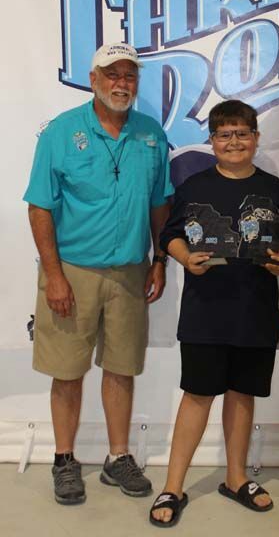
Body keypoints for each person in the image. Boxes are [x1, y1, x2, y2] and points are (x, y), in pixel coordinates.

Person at [24, 43, 173, 506]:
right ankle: (65, 460)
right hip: (72, 271)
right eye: (112, 74)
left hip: (130, 272)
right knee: (67, 372)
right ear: (93, 80)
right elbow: (40, 206)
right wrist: (53, 275)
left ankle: (117, 458)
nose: (121, 83)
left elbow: (159, 202)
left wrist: (159, 259)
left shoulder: (151, 134)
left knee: (121, 368)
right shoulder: (62, 132)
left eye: (129, 75)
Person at [149, 100, 279, 527]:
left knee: (242, 394)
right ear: (212, 141)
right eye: (224, 134)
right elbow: (171, 235)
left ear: (255, 138)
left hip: (255, 310)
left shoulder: (275, 188)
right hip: (205, 312)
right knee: (197, 395)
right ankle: (173, 485)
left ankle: (235, 478)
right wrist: (183, 257)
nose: (234, 142)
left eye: (242, 133)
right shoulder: (194, 187)